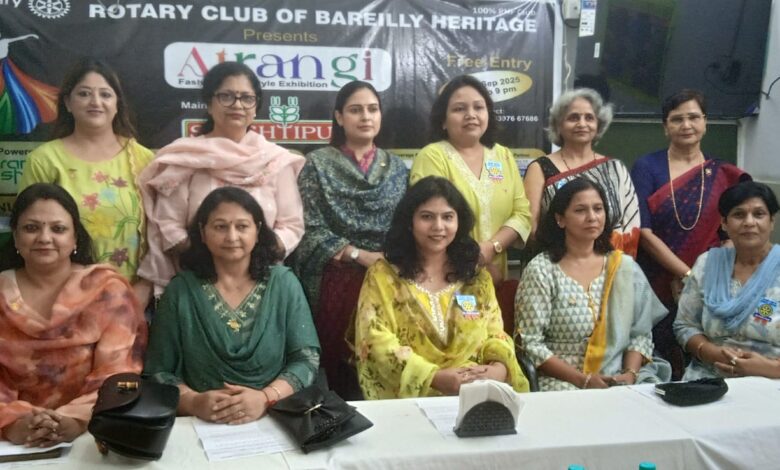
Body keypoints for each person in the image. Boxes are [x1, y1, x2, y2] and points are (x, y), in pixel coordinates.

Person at [144, 187, 320, 424]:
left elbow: (306, 360)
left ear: (257, 231)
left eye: (242, 226)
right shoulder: (181, 291)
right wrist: (194, 402)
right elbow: (158, 371)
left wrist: (265, 398)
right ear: (202, 232)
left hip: (276, 418)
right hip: (201, 422)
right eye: (220, 227)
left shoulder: (284, 284)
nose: (232, 237)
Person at [137, 61, 304, 295]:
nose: (237, 105)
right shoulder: (186, 157)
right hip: (197, 281)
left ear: (256, 106)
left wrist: (251, 258)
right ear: (209, 103)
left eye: (247, 98)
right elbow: (168, 224)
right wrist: (212, 260)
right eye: (226, 96)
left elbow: (292, 225)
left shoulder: (274, 160)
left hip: (263, 281)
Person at [355, 176, 529, 399]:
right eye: (427, 217)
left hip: (475, 394)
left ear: (459, 222)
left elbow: (494, 332)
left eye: (447, 217)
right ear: (409, 222)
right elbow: (374, 341)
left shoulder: (476, 278)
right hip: (411, 401)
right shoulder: (383, 277)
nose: (438, 227)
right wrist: (434, 378)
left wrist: (499, 367)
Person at [0, 184, 146, 446]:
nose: (44, 238)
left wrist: (75, 420)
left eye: (58, 229)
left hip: (96, 431)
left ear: (75, 237)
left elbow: (121, 375)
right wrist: (13, 424)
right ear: (16, 236)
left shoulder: (107, 292)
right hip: (13, 441)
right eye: (31, 228)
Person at [292, 81, 408, 397]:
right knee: (343, 374)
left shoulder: (397, 168)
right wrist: (356, 254)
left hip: (388, 277)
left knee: (390, 360)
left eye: (372, 109)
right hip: (336, 278)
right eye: (356, 110)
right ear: (339, 117)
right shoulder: (317, 164)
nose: (365, 117)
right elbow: (309, 228)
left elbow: (407, 228)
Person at [630, 89, 749, 377]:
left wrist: (704, 278)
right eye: (677, 119)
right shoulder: (647, 167)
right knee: (661, 356)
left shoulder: (721, 173)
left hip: (712, 282)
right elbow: (643, 232)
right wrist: (686, 275)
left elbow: (730, 235)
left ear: (705, 122)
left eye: (694, 117)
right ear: (665, 126)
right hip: (658, 281)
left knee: (710, 351)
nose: (686, 125)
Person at [19, 58, 154, 308]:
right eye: (84, 94)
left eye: (105, 94)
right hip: (61, 301)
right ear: (68, 103)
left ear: (117, 104)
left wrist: (143, 290)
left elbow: (159, 233)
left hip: (132, 299)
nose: (95, 102)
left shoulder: (144, 159)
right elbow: (29, 233)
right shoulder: (45, 160)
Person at [515, 178, 670, 392]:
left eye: (598, 209)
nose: (592, 217)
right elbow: (530, 344)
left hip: (620, 377)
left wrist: (630, 374)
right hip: (564, 381)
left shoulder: (623, 267)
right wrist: (583, 380)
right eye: (580, 210)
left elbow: (640, 333)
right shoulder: (542, 270)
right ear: (560, 219)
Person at [410, 75, 531, 282]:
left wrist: (492, 248)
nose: (471, 115)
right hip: (447, 277)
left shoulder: (503, 156)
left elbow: (522, 214)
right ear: (443, 120)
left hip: (497, 277)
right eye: (459, 109)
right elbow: (430, 221)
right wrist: (475, 260)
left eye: (478, 107)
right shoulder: (432, 157)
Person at [674, 181, 780, 380]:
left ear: (771, 222)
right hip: (708, 378)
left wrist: (767, 368)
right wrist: (712, 353)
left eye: (759, 214)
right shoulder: (707, 264)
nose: (749, 222)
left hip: (771, 383)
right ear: (724, 223)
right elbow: (684, 326)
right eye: (739, 215)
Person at [523, 88, 640, 258]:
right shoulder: (540, 168)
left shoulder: (615, 168)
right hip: (556, 263)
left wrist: (614, 264)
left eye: (589, 118)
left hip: (611, 263)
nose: (582, 124)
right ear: (558, 125)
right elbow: (530, 229)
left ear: (598, 125)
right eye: (573, 118)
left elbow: (631, 223)